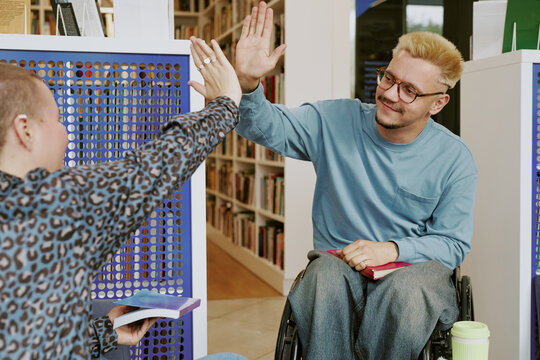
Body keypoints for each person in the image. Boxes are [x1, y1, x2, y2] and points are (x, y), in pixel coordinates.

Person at [232, 2, 477, 359]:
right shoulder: (334, 120)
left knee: (406, 293)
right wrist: (248, 83)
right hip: (338, 265)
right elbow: (263, 125)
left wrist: (392, 249)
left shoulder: (455, 158)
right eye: (389, 78)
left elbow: (452, 243)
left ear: (437, 104)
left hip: (412, 273)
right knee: (323, 278)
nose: (390, 94)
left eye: (409, 90)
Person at [0, 37, 242, 359]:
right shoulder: (47, 205)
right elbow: (155, 167)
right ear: (25, 129)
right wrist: (226, 102)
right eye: (57, 119)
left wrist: (103, 332)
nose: (65, 132)